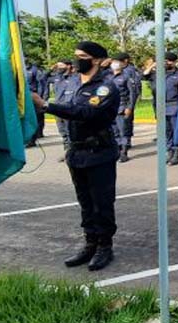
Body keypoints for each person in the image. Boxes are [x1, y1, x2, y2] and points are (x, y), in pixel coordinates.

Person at [31, 42, 120, 271]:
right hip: (77, 152)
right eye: (76, 55)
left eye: (83, 56)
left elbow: (86, 113)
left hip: (99, 153)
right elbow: (67, 110)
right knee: (85, 203)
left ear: (98, 60)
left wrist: (46, 105)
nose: (77, 60)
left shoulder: (106, 87)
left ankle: (104, 246)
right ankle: (90, 243)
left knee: (102, 203)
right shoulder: (71, 82)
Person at [144, 52, 178, 165]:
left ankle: (177, 153)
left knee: (175, 130)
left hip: (174, 105)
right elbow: (144, 75)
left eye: (169, 61)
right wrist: (154, 65)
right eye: (164, 60)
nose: (166, 63)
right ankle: (170, 151)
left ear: (175, 62)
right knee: (166, 131)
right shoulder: (157, 73)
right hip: (160, 106)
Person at [110, 53, 140, 163]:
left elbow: (132, 94)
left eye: (116, 62)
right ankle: (117, 150)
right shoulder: (109, 77)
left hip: (122, 107)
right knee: (114, 131)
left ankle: (124, 152)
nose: (114, 64)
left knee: (124, 130)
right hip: (111, 108)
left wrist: (130, 107)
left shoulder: (126, 77)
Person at [50, 60, 75, 162]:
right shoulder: (57, 77)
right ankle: (67, 152)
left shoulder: (74, 78)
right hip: (57, 108)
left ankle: (72, 153)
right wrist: (51, 68)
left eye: (61, 65)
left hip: (68, 108)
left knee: (70, 132)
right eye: (58, 65)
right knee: (63, 132)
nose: (59, 67)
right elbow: (42, 78)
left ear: (68, 66)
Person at [25, 59, 48, 146]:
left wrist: (40, 97)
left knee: (34, 118)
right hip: (22, 96)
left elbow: (41, 84)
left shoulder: (35, 70)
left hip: (33, 96)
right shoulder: (19, 69)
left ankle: (32, 139)